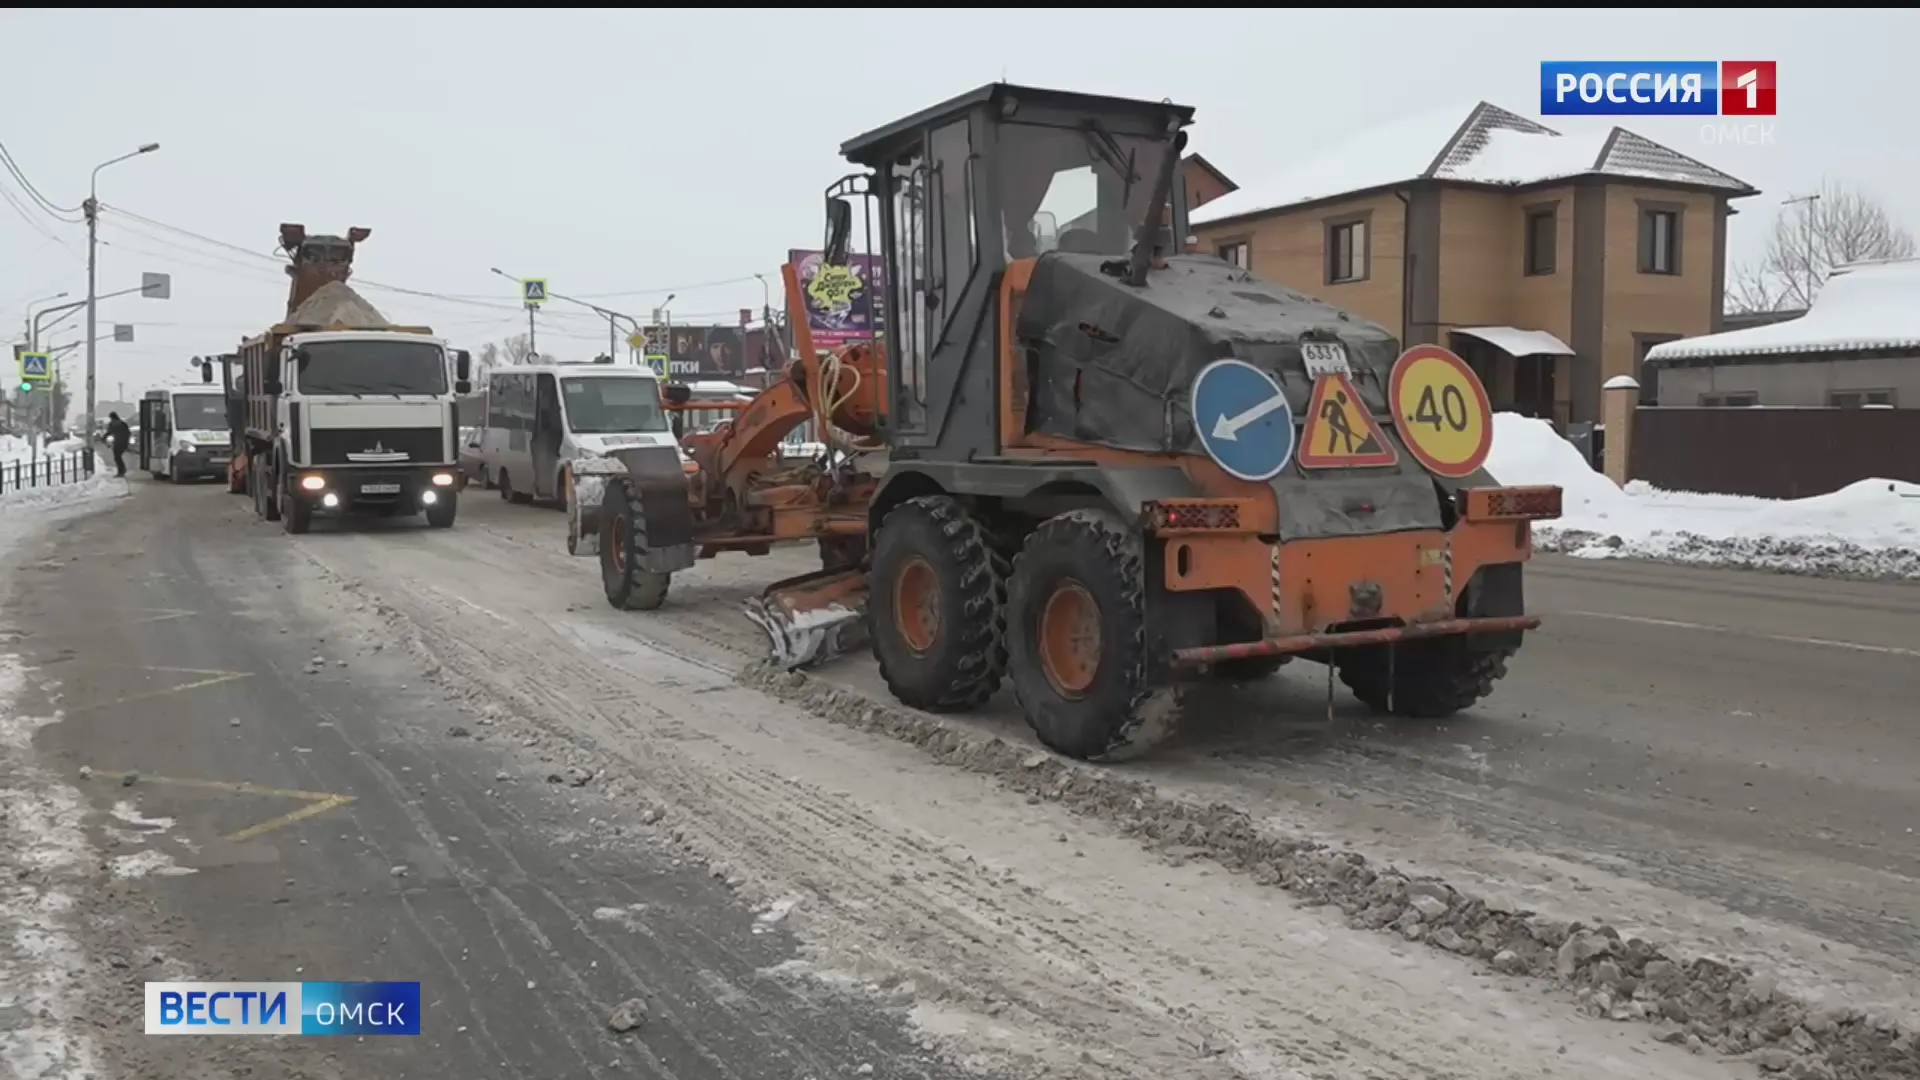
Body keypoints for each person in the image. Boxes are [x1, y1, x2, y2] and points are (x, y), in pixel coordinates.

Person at [105, 411, 132, 477]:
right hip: (124, 442)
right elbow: (129, 433)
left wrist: (103, 438)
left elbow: (108, 432)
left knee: (117, 457)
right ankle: (122, 470)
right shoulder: (123, 423)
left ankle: (121, 471)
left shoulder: (112, 423)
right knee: (118, 456)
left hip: (117, 442)